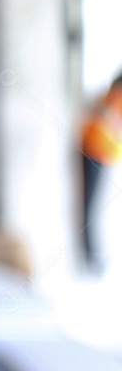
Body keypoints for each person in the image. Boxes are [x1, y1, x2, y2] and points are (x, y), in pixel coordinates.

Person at [79, 72, 122, 272]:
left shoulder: (110, 96)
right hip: (96, 152)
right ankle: (90, 256)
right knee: (91, 205)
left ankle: (91, 254)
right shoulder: (115, 97)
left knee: (92, 205)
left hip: (98, 152)